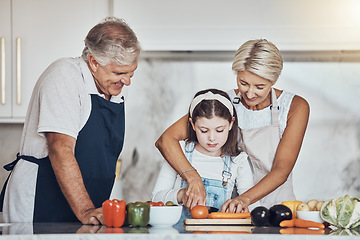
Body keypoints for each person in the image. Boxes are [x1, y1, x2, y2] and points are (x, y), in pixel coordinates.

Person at [0, 17, 140, 224]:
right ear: (93, 62)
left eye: (131, 73)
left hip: (88, 201)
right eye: (119, 73)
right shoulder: (64, 76)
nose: (126, 81)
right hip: (42, 199)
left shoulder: (114, 87)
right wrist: (85, 210)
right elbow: (60, 148)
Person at [155, 39, 310, 213]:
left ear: (273, 80)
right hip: (232, 211)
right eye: (243, 83)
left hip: (278, 209)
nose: (250, 93)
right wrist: (192, 177)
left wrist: (244, 199)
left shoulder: (295, 106)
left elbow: (281, 169)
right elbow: (166, 140)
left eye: (259, 86)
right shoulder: (224, 103)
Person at [152, 89, 254, 221]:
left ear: (231, 123)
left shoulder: (238, 161)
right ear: (193, 125)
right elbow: (155, 198)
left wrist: (241, 207)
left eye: (219, 130)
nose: (212, 138)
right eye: (204, 130)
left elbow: (251, 204)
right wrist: (181, 195)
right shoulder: (179, 152)